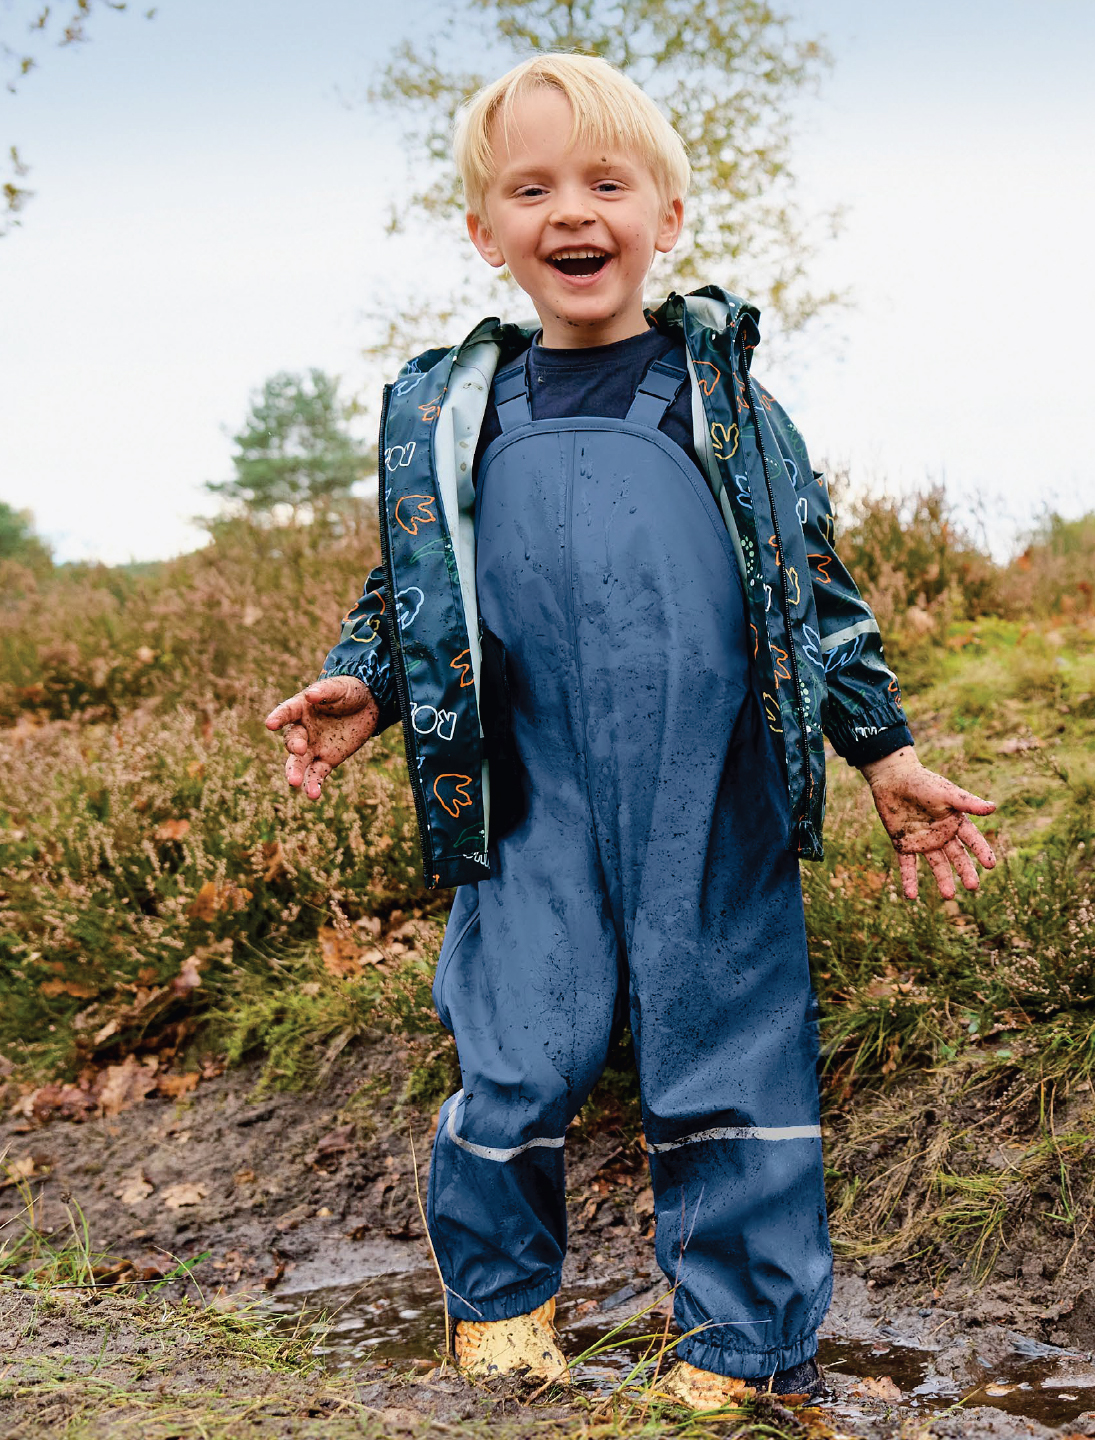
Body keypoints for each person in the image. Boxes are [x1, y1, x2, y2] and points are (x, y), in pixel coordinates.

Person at [262, 53, 997, 1407]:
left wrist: (884, 752)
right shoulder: (459, 414)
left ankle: (737, 1340)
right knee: (517, 1036)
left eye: (606, 182)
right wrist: (364, 677)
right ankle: (501, 1301)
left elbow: (811, 586)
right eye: (531, 189)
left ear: (669, 216)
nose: (572, 212)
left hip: (706, 779)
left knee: (722, 1036)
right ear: (487, 235)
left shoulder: (722, 401)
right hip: (529, 781)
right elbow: (413, 580)